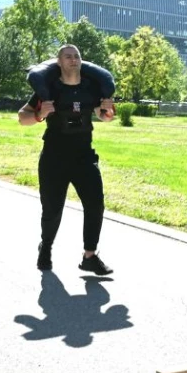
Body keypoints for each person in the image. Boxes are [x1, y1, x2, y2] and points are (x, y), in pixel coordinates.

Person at [17, 44, 116, 276]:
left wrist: (107, 112)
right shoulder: (49, 89)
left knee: (95, 204)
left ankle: (90, 256)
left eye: (77, 56)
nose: (73, 60)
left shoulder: (92, 88)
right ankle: (46, 247)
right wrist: (40, 114)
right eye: (68, 56)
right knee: (52, 209)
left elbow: (105, 116)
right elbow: (23, 118)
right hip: (54, 157)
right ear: (59, 62)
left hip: (84, 156)